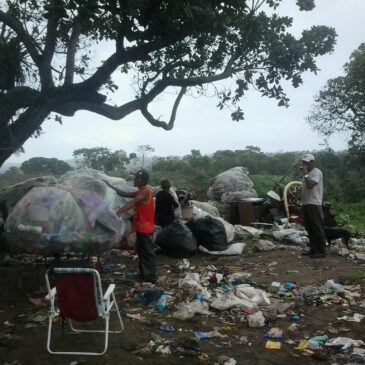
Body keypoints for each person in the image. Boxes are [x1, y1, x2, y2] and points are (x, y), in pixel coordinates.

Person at [105, 170, 156, 283]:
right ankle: (144, 275)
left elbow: (132, 202)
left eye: (137, 179)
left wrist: (119, 211)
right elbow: (124, 194)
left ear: (142, 181)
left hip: (145, 228)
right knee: (142, 252)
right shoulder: (140, 191)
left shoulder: (144, 191)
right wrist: (110, 186)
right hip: (141, 227)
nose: (134, 181)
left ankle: (150, 277)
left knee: (147, 252)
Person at [300, 153, 327, 258]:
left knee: (317, 227)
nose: (305, 164)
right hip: (306, 203)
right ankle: (313, 249)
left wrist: (306, 174)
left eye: (307, 162)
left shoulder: (317, 172)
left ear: (312, 162)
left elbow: (310, 185)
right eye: (303, 162)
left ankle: (321, 251)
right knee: (309, 228)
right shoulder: (307, 174)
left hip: (314, 203)